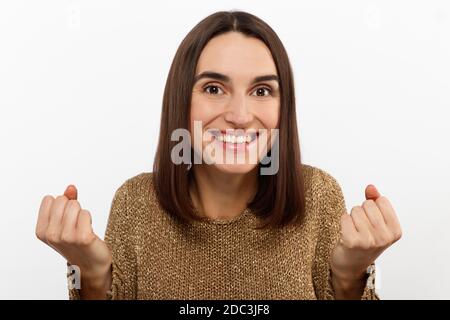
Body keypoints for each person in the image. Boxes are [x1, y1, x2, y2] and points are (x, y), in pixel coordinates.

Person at [35, 10, 402, 300]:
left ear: (282, 108)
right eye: (214, 88)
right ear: (182, 100)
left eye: (261, 91)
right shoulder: (135, 203)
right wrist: (92, 276)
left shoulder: (317, 194)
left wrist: (351, 275)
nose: (240, 116)